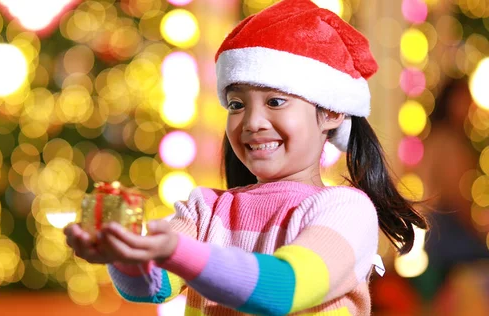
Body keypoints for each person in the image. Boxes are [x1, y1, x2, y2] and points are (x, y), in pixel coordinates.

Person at [64, 0, 428, 315]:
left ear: (331, 112)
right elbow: (151, 286)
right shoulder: (204, 209)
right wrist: (123, 254)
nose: (252, 123)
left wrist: (177, 251)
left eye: (275, 101)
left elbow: (285, 288)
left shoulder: (347, 210)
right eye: (237, 104)